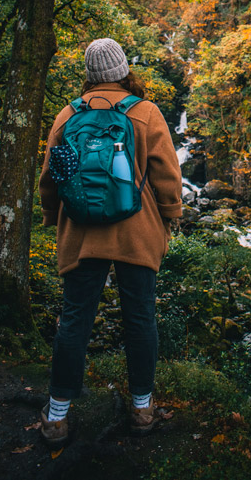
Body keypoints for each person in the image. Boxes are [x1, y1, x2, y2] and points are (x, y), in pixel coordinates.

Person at [38, 38, 182, 444]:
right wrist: (170, 218)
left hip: (82, 236)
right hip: (136, 233)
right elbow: (167, 176)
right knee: (140, 319)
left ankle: (58, 417)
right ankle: (141, 409)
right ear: (123, 70)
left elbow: (50, 176)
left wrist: (53, 217)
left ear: (89, 75)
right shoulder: (146, 113)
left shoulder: (68, 114)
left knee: (75, 322)